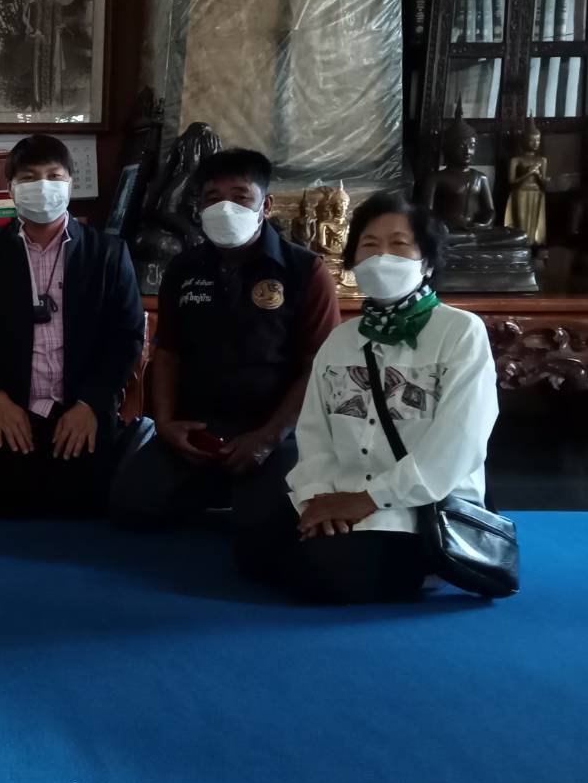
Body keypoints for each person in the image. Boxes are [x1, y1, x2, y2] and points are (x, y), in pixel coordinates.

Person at [266, 192, 499, 603]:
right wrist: (319, 500)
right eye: (369, 245)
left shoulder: (460, 332)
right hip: (344, 493)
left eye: (399, 244)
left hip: (419, 505)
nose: (381, 256)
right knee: (255, 544)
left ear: (426, 262)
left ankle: (422, 565)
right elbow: (315, 433)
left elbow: (459, 443)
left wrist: (366, 500)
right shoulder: (340, 341)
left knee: (321, 573)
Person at [111, 149, 340, 545]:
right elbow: (168, 351)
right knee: (130, 505)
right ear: (199, 206)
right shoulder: (184, 268)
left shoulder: (305, 270)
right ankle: (218, 490)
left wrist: (268, 437)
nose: (225, 208)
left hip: (273, 432)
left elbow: (319, 366)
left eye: (240, 197)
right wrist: (165, 424)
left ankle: (241, 497)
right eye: (213, 198)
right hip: (197, 429)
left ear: (265, 205)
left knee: (261, 531)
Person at [0, 135, 145, 515]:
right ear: (10, 189)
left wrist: (92, 404)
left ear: (70, 185)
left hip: (79, 407)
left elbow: (127, 338)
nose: (43, 186)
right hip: (11, 408)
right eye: (29, 177)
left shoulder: (108, 254)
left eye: (53, 176)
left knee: (88, 502)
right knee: (1, 502)